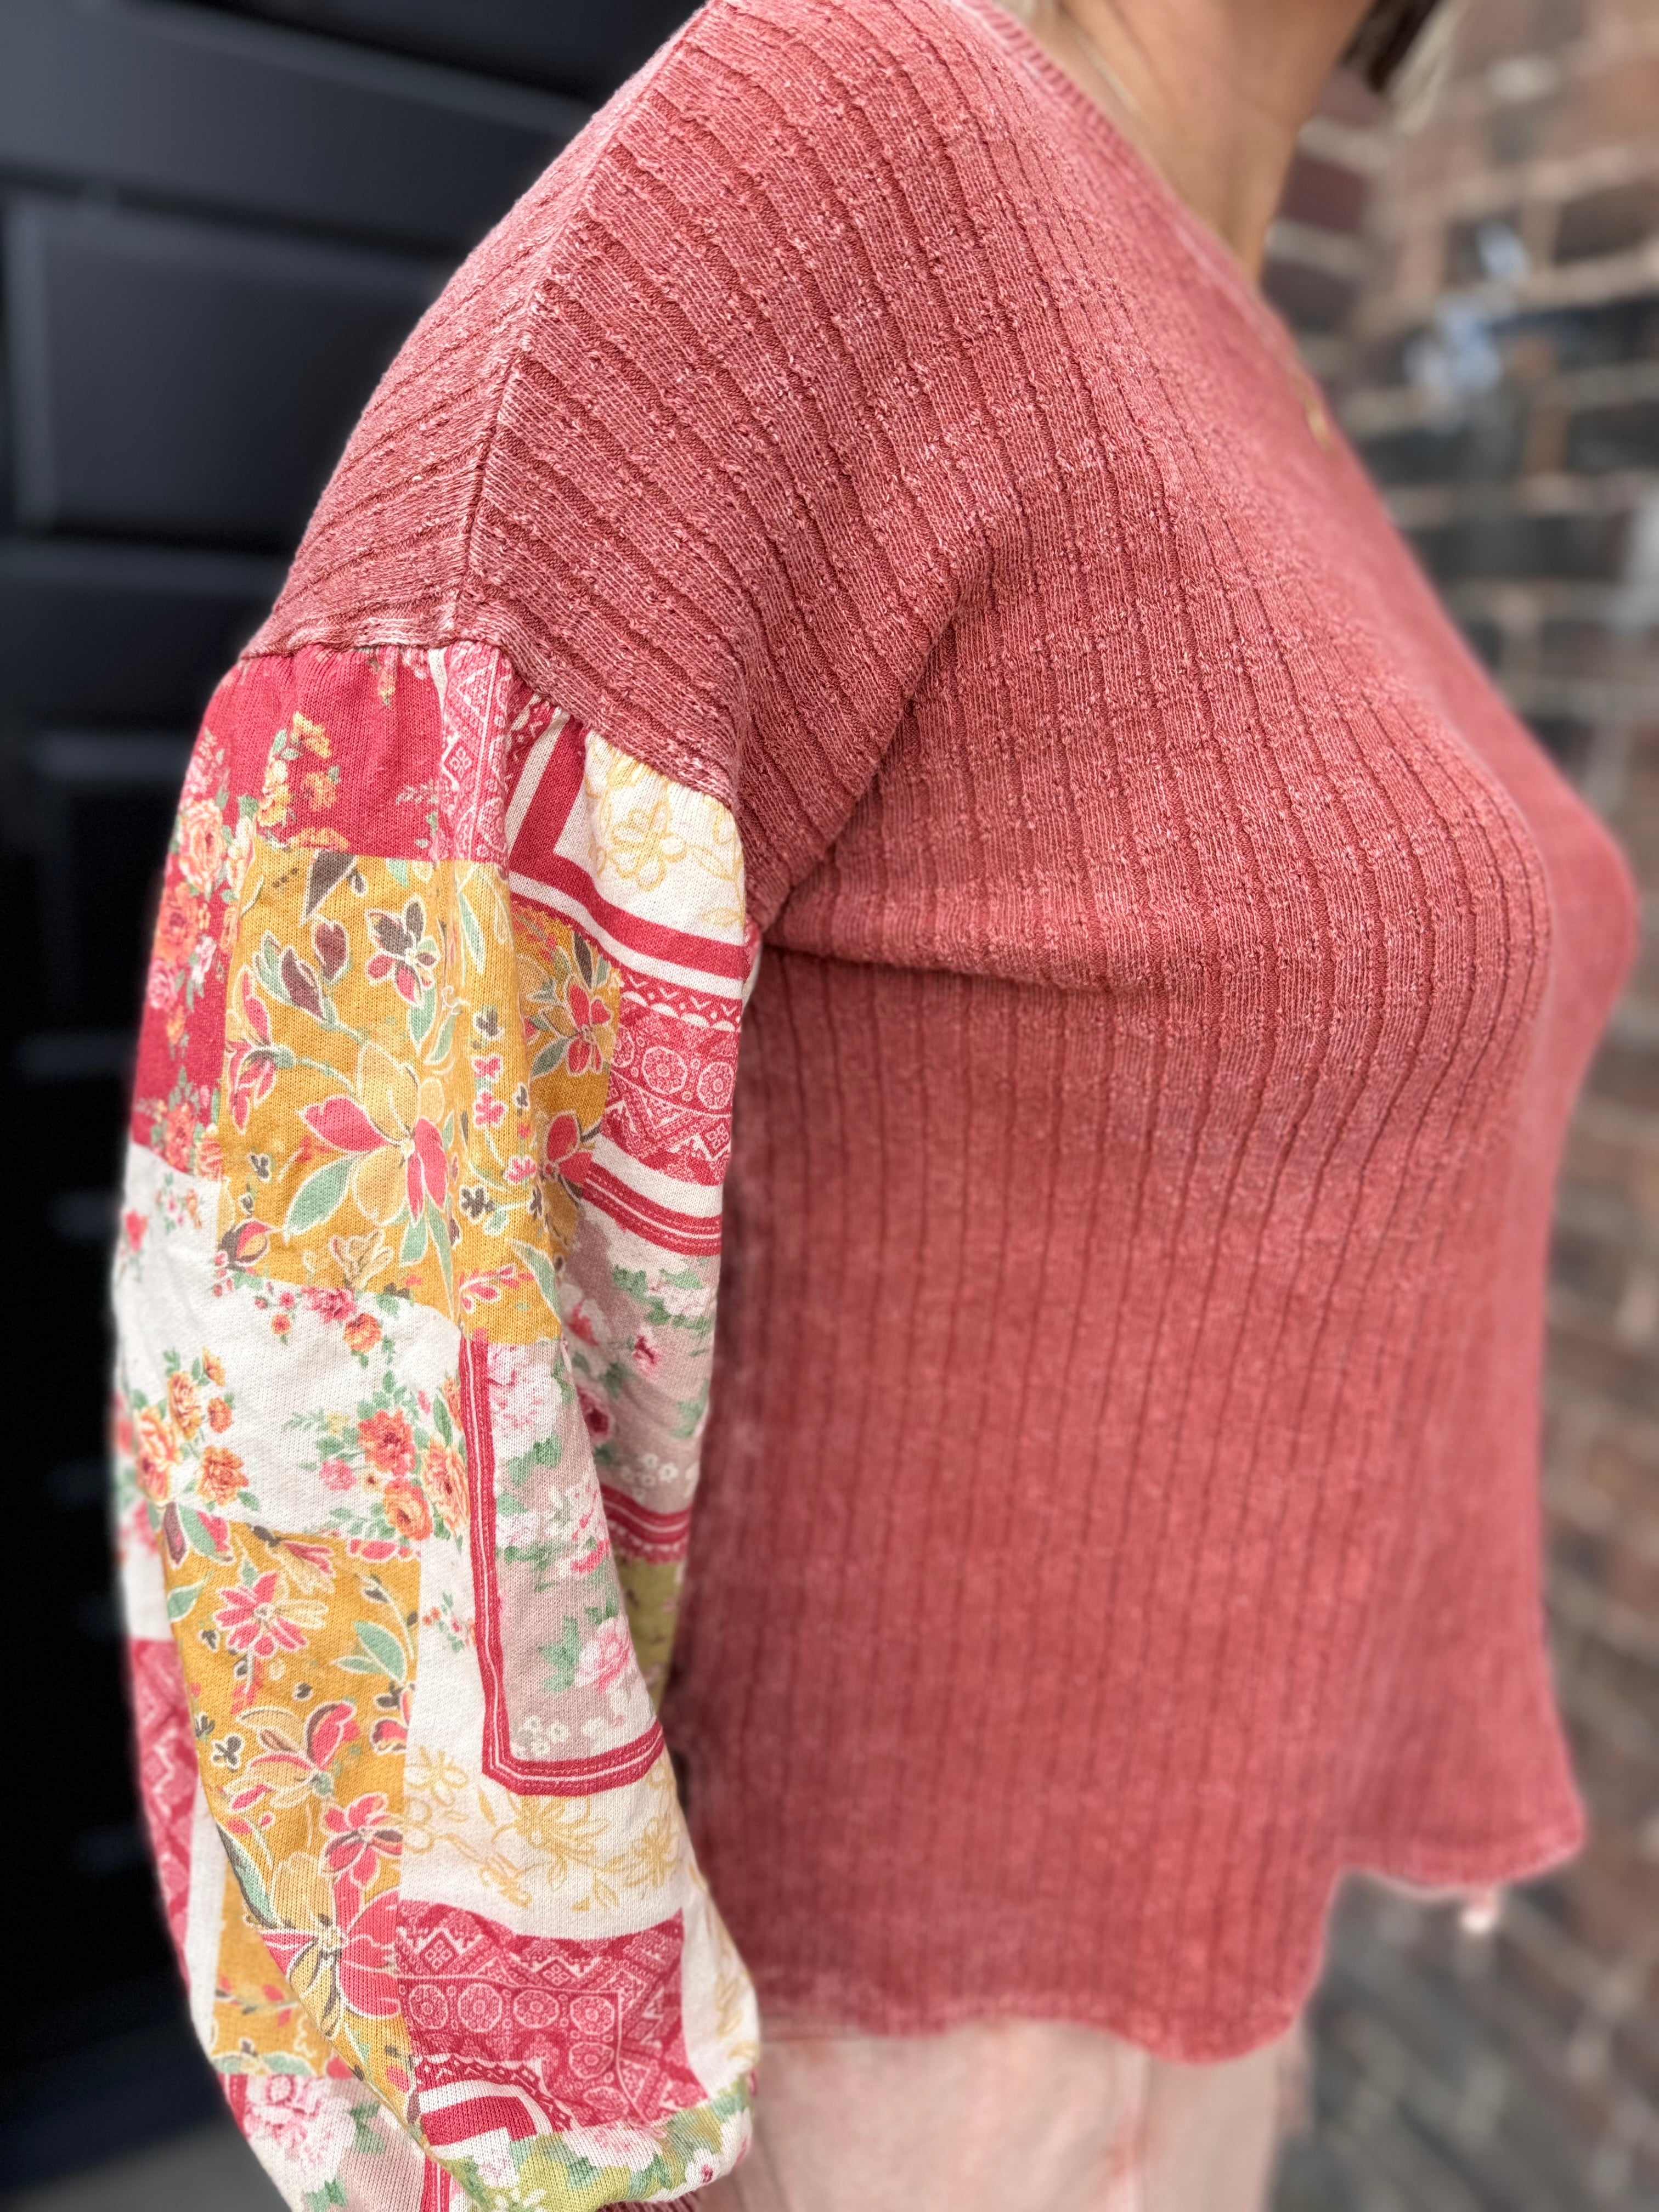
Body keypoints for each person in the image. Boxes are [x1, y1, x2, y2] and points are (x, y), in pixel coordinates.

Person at [110, 1, 1638, 2207]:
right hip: (850, 2105)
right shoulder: (842, 137)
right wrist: (537, 2154)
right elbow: (329, 1176)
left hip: (1176, 2034)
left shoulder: (1237, 327)